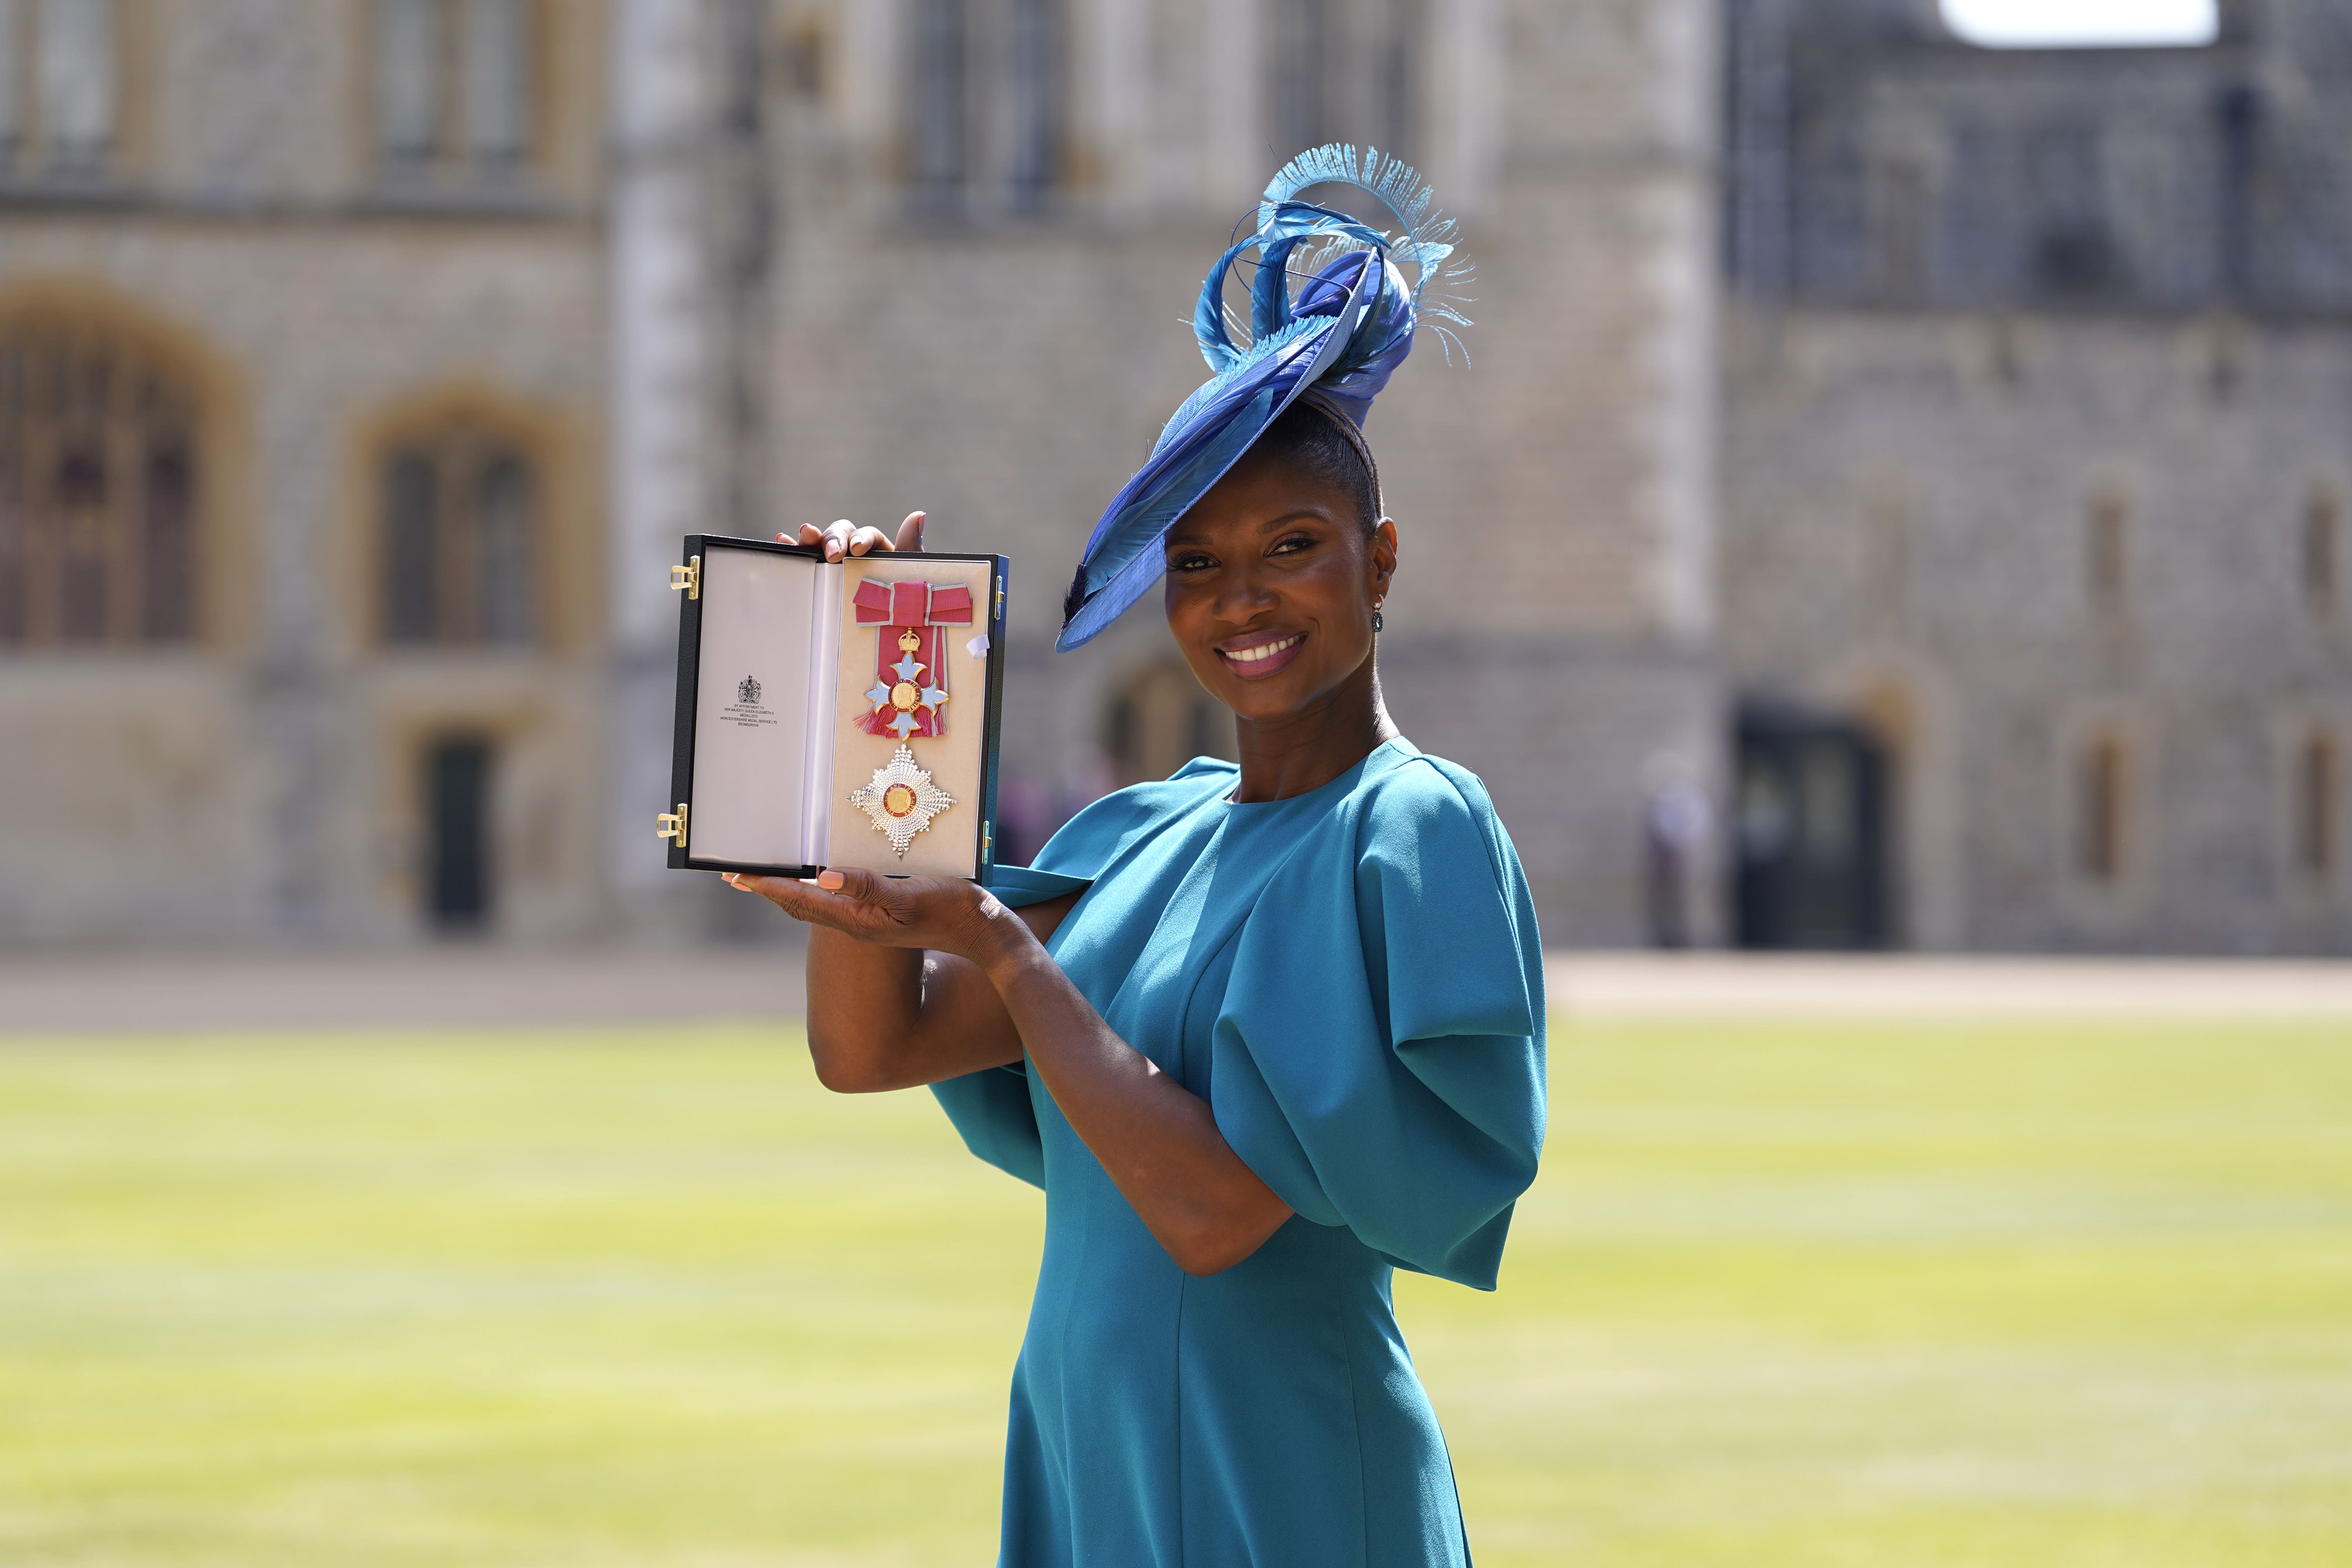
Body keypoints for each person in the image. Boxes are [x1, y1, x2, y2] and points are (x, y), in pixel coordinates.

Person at [723, 147, 1546, 1568]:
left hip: (1280, 1465)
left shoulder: (1411, 828)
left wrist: (1002, 942)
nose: (1243, 599)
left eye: (1294, 544)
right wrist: (861, 729)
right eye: (1196, 561)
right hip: (1085, 1441)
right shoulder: (1149, 832)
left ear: (1383, 560)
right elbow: (870, 1052)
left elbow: (1218, 1211)